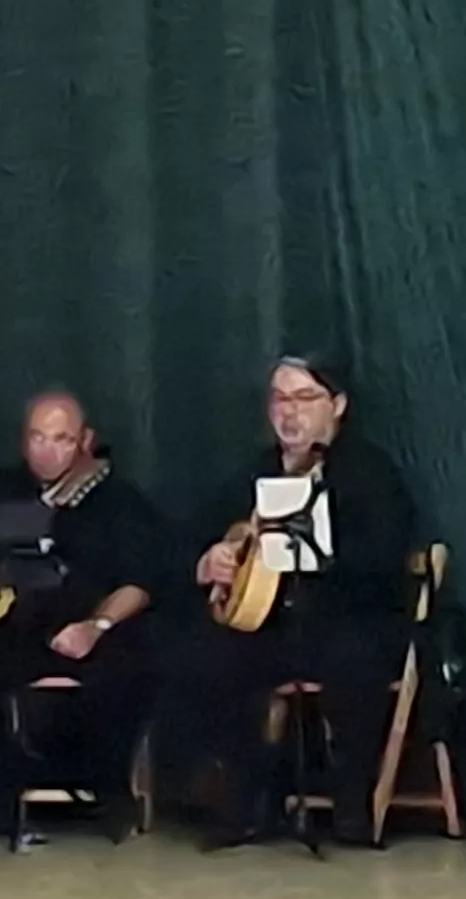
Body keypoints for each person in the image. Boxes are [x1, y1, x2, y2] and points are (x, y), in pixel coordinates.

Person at [157, 356, 420, 847]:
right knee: (206, 655)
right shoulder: (253, 473)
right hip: (274, 626)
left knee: (354, 657)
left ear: (336, 406)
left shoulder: (369, 473)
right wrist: (207, 562)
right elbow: (186, 541)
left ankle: (350, 807)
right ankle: (242, 803)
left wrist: (324, 556)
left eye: (304, 398)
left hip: (349, 617)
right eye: (280, 399)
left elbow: (386, 556)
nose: (289, 412)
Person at [0, 391, 166, 834]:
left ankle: (109, 791)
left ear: (84, 440)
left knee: (133, 664)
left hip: (90, 628)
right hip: (12, 626)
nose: (46, 450)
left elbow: (142, 581)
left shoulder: (118, 500)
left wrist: (95, 626)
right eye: (37, 437)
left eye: (60, 439)